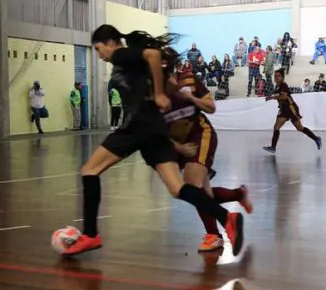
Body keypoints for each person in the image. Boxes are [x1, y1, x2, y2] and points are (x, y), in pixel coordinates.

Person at [61, 24, 245, 257]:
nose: (99, 55)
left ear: (110, 42)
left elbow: (154, 54)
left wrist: (158, 93)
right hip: (154, 128)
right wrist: (162, 91)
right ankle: (227, 218)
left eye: (99, 49)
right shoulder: (135, 63)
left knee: (89, 170)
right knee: (177, 188)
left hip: (136, 124)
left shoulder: (121, 54)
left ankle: (90, 235)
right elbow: (168, 82)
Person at [166, 72, 253, 252]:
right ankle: (237, 194)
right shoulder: (152, 93)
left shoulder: (188, 80)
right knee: (200, 194)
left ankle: (214, 235)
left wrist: (191, 98)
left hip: (201, 135)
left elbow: (211, 107)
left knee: (192, 185)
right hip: (180, 144)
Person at [263, 69, 321, 153]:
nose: (276, 77)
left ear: (283, 77)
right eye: (275, 76)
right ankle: (273, 147)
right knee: (277, 127)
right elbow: (279, 96)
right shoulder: (278, 86)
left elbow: (284, 97)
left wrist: (272, 97)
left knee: (299, 128)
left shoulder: (283, 85)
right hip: (284, 109)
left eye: (278, 76)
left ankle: (316, 138)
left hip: (291, 108)